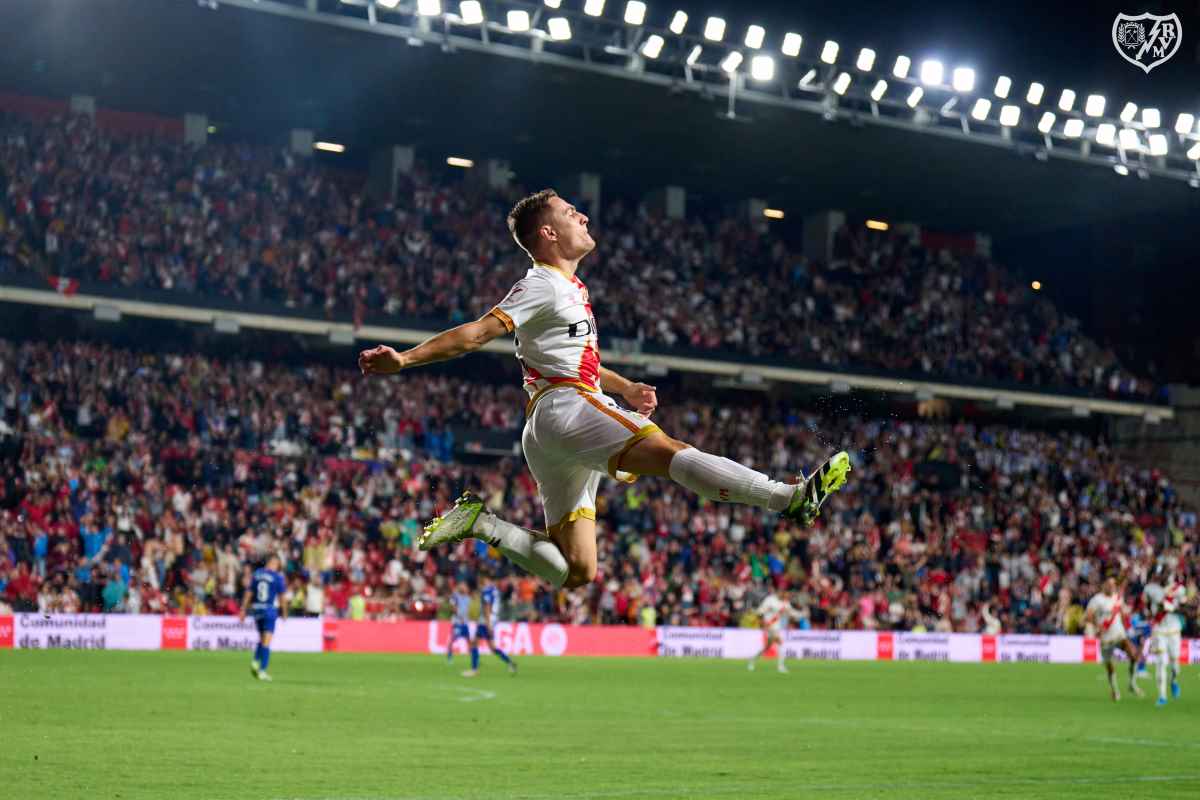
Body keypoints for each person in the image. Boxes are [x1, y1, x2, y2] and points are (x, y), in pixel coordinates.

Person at [359, 189, 850, 590]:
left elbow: (568, 359)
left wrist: (624, 385)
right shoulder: (542, 285)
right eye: (572, 214)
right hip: (568, 409)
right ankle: (787, 498)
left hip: (550, 422)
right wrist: (405, 359)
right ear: (549, 233)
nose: (585, 216)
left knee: (578, 570)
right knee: (668, 451)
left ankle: (484, 524)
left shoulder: (566, 290)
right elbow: (476, 333)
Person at [1083, 577, 1142, 701]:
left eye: (1113, 584)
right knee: (1110, 667)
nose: (1111, 586)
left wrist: (1128, 616)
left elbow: (1122, 612)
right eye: (1109, 584)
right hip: (1106, 638)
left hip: (1119, 635)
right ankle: (1115, 690)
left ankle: (1132, 683)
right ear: (1104, 585)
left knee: (1134, 655)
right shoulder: (1096, 600)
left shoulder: (1117, 597)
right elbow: (1088, 617)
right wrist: (1098, 626)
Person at [240, 554, 286, 682]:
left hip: (256, 609)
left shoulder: (257, 574)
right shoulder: (277, 577)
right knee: (266, 641)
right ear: (274, 563)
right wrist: (284, 611)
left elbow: (249, 592)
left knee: (261, 638)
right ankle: (262, 671)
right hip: (269, 610)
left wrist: (243, 609)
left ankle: (255, 661)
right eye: (277, 564)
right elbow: (282, 596)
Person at [1143, 573, 1186, 706]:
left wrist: (1170, 607)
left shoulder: (1178, 589)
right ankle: (1162, 696)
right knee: (1161, 662)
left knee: (1175, 664)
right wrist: (1150, 612)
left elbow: (1184, 608)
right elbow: (1145, 605)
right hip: (1159, 630)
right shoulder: (1150, 588)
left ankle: (1173, 681)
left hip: (1173, 629)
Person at [463, 576, 517, 677]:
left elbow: (487, 607)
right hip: (493, 619)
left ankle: (474, 670)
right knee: (492, 647)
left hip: (486, 621)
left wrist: (488, 624)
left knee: (474, 643)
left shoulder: (487, 590)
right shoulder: (495, 591)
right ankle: (510, 662)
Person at [748, 591, 804, 673]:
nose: (786, 597)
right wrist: (760, 618)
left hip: (776, 627)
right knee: (780, 642)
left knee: (766, 647)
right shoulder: (770, 600)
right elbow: (761, 610)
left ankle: (752, 660)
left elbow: (791, 612)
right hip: (768, 625)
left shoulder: (785, 603)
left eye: (788, 596)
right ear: (780, 593)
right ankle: (781, 666)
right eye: (785, 595)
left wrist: (801, 614)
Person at [446, 582, 473, 674]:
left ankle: (473, 659)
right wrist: (459, 616)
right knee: (453, 639)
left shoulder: (468, 598)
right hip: (457, 622)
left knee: (469, 640)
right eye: (462, 586)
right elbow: (453, 607)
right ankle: (449, 658)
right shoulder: (455, 596)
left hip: (465, 622)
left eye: (465, 586)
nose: (464, 588)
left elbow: (468, 609)